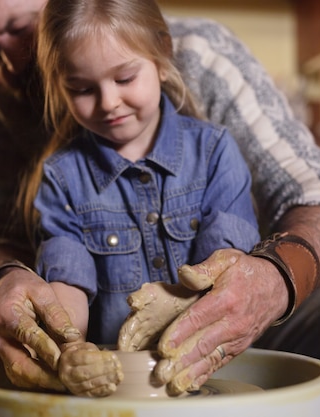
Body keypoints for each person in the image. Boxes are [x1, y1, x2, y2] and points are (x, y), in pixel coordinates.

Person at [0, 0, 320, 415]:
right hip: (106, 323)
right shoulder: (39, 144)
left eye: (16, 28)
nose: (7, 63)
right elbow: (3, 246)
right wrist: (65, 341)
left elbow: (315, 196)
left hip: (263, 284)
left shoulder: (204, 83)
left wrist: (264, 283)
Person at [29, 0, 260, 396]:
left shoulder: (215, 152)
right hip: (117, 384)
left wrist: (182, 301)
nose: (108, 102)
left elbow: (226, 266)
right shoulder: (61, 178)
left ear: (162, 55)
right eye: (82, 89)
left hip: (212, 367)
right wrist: (70, 346)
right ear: (58, 87)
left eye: (125, 78)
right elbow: (67, 282)